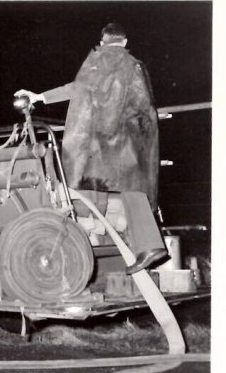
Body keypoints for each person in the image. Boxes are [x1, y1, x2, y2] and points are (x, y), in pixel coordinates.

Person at [14, 23, 168, 274]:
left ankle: (101, 239)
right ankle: (145, 245)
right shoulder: (134, 65)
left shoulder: (96, 64)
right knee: (133, 189)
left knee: (93, 183)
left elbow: (76, 89)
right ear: (125, 42)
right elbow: (144, 106)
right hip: (128, 142)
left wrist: (39, 96)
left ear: (103, 41)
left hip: (100, 144)